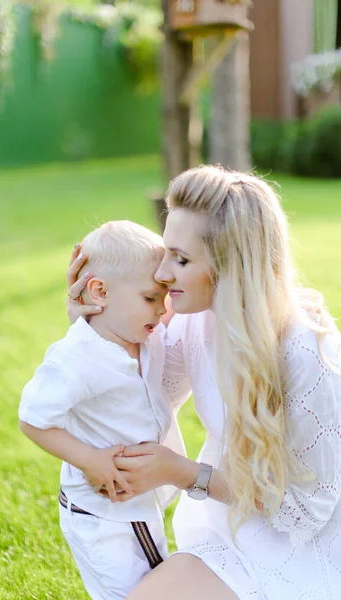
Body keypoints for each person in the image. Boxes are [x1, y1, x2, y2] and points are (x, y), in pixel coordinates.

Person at [67, 165, 341, 600]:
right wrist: (96, 319)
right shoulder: (196, 320)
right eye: (165, 252)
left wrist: (185, 473)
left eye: (181, 259)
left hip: (306, 548)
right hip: (229, 532)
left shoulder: (306, 351)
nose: (161, 273)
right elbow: (137, 400)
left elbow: (311, 510)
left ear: (232, 264)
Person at [19, 220, 187, 600]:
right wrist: (90, 460)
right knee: (128, 590)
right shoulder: (79, 355)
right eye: (149, 298)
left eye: (165, 297)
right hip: (101, 512)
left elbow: (182, 311)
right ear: (99, 291)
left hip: (136, 502)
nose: (162, 310)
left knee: (156, 578)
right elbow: (32, 418)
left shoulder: (142, 336)